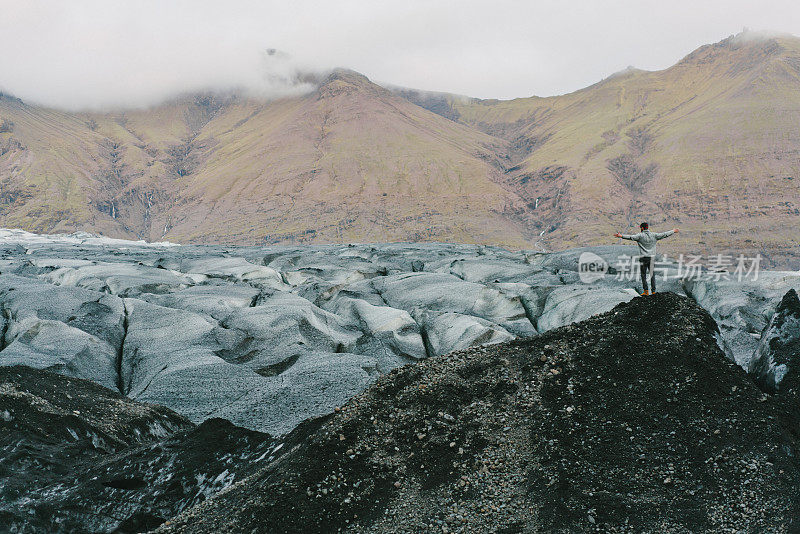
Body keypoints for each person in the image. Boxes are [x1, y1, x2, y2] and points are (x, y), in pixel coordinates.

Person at [614, 222, 679, 295]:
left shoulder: (640, 236)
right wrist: (673, 231)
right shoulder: (654, 235)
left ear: (642, 228)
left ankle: (646, 291)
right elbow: (664, 234)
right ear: (647, 227)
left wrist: (621, 236)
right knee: (652, 275)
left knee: (643, 275)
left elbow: (631, 237)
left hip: (643, 258)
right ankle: (653, 291)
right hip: (651, 258)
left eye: (640, 228)